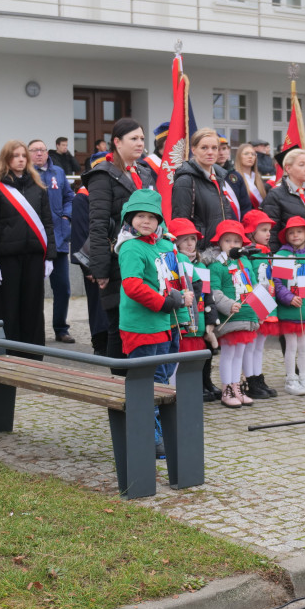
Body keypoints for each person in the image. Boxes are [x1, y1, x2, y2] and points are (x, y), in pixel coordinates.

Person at [115, 189, 189, 458]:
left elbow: (173, 281)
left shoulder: (165, 245)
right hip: (143, 326)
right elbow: (133, 285)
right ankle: (150, 435)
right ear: (129, 218)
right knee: (149, 382)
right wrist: (164, 302)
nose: (145, 221)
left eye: (151, 217)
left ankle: (159, 429)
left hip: (167, 324)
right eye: (140, 216)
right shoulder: (131, 247)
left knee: (162, 380)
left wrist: (182, 302)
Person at [86, 118, 155, 364]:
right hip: (117, 261)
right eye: (133, 139)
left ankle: (142, 388)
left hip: (146, 258)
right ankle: (119, 395)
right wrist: (100, 269)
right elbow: (97, 224)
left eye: (142, 139)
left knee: (142, 324)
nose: (139, 144)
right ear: (117, 142)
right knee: (119, 326)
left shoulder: (145, 173)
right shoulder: (102, 175)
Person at [0, 140, 56, 358]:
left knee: (33, 307)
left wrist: (49, 257)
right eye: (16, 156)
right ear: (7, 159)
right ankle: (11, 353)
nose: (21, 159)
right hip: (8, 259)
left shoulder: (39, 188)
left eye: (23, 155)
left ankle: (33, 354)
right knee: (9, 308)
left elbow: (47, 223)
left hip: (34, 256)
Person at [208, 219, 260, 408]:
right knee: (229, 354)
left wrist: (259, 310)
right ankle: (226, 390)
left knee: (240, 354)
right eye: (228, 240)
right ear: (219, 243)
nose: (233, 245)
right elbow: (214, 291)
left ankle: (237, 387)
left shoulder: (245, 262)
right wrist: (229, 305)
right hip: (231, 316)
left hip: (247, 314)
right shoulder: (216, 266)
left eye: (236, 241)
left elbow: (253, 287)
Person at [167, 218, 220, 401]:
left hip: (200, 321)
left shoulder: (200, 266)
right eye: (185, 239)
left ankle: (201, 384)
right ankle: (177, 393)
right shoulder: (175, 262)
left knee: (198, 361)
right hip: (184, 321)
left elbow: (208, 296)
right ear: (175, 242)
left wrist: (211, 320)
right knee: (179, 361)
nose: (190, 244)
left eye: (193, 239)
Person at [29, 138, 75, 343]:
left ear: (47, 153)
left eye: (42, 150)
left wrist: (66, 217)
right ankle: (34, 328)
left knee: (63, 287)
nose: (39, 153)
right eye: (34, 150)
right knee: (33, 288)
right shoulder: (27, 175)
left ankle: (61, 328)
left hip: (58, 239)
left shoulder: (58, 173)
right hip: (35, 240)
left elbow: (69, 197)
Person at [273, 216, 305, 396]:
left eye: (299, 232)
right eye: (291, 232)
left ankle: (304, 377)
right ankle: (291, 378)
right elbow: (277, 283)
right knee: (292, 345)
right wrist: (288, 297)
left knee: (304, 345)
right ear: (286, 235)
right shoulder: (281, 256)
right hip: (289, 309)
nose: (295, 235)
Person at [171, 127, 240, 246]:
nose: (210, 152)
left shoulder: (219, 177)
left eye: (214, 148)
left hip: (220, 248)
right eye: (204, 148)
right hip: (199, 251)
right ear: (193, 150)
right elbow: (181, 222)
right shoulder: (185, 180)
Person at [70, 153, 109, 355]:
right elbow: (79, 234)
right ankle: (99, 344)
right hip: (93, 261)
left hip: (111, 259)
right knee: (97, 305)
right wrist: (88, 266)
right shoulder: (82, 197)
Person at [241, 209, 278, 399]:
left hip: (267, 302)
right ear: (251, 232)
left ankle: (257, 376)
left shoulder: (266, 252)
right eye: (263, 230)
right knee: (250, 344)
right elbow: (251, 281)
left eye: (269, 230)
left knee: (259, 345)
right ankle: (249, 380)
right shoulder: (250, 254)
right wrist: (258, 310)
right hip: (255, 305)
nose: (268, 234)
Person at [262, 148, 305, 249]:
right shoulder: (275, 195)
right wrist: (276, 256)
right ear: (288, 168)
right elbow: (272, 232)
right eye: (301, 165)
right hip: (288, 254)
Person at [217, 134, 250, 219]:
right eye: (217, 149)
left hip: (236, 226)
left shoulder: (236, 175)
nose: (221, 153)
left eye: (224, 149)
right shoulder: (208, 175)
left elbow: (245, 205)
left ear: (229, 150)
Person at [235, 143, 268, 211]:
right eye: (246, 154)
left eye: (253, 154)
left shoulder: (257, 177)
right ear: (239, 156)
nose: (250, 156)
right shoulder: (235, 178)